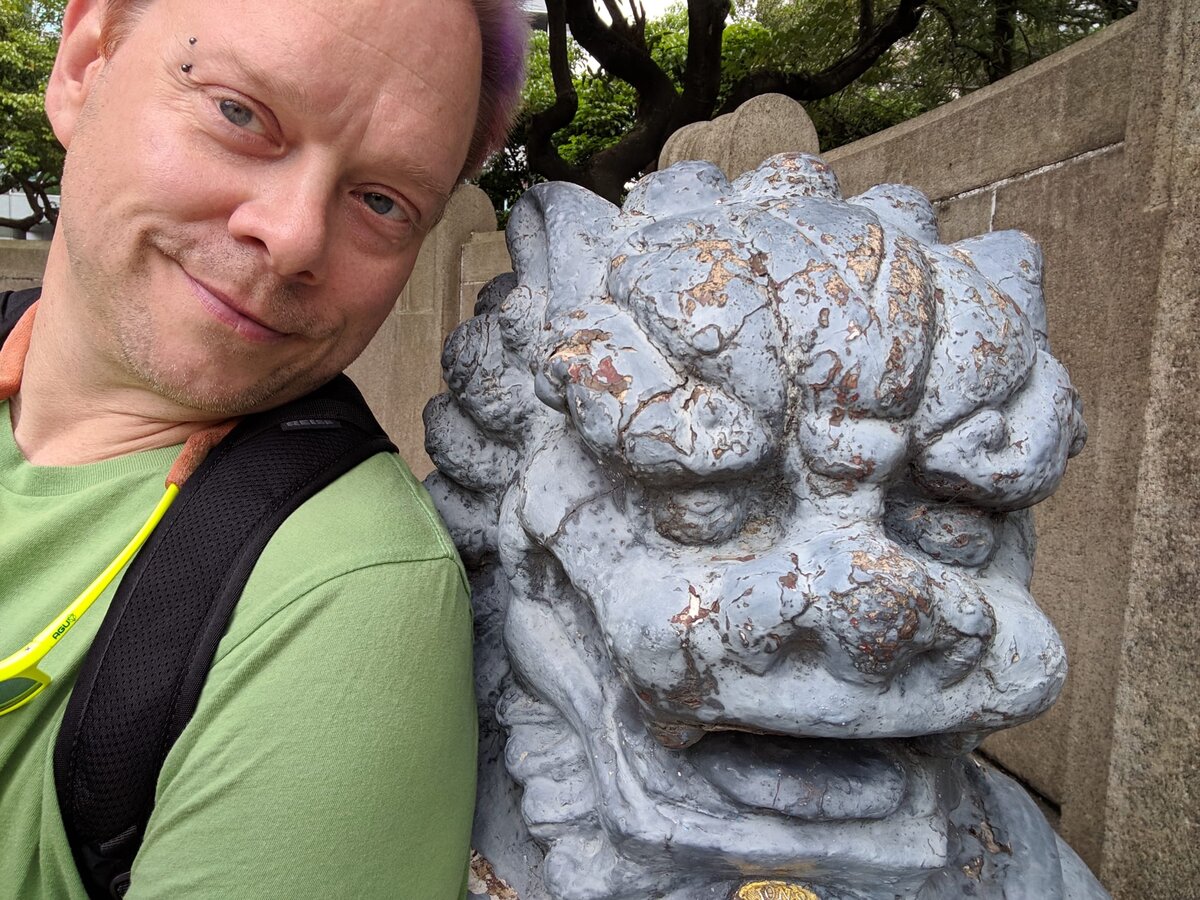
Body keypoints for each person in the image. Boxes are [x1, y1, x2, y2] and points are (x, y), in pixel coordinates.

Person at [0, 0, 527, 897]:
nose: (292, 238)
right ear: (85, 64)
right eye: (240, 113)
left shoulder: (341, 592)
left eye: (382, 201)